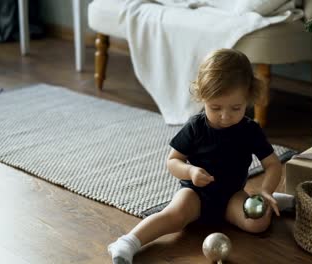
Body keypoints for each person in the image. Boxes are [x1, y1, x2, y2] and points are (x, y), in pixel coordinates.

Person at [107, 48, 294, 264]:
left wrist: (265, 189)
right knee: (174, 216)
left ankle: (268, 201)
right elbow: (172, 161)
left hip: (231, 195)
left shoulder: (250, 130)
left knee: (256, 224)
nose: (225, 116)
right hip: (195, 193)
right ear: (202, 97)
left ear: (248, 98)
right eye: (215, 107)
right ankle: (126, 243)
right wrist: (190, 171)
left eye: (236, 107)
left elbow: (272, 165)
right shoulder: (196, 127)